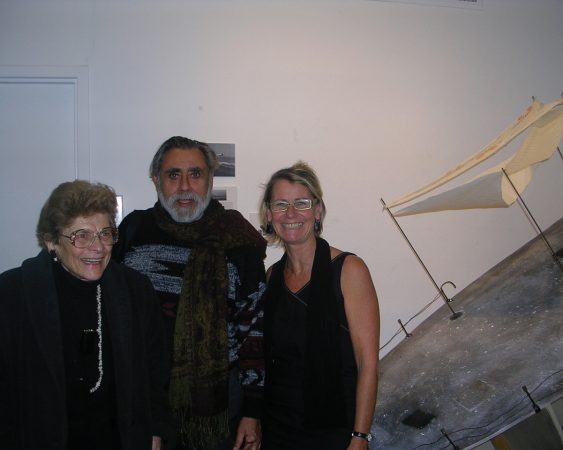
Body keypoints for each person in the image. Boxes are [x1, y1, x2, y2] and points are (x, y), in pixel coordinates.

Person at [112, 136, 267, 450]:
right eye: (174, 175)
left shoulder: (239, 239)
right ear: (156, 180)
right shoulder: (133, 231)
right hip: (142, 395)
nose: (184, 186)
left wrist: (253, 411)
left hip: (218, 405)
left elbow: (255, 330)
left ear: (210, 179)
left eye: (195, 174)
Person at [0, 180, 173, 450]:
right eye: (81, 236)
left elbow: (156, 372)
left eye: (105, 233)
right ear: (51, 242)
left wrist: (155, 430)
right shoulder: (13, 294)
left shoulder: (135, 290)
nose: (98, 247)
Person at [258, 161, 380, 450]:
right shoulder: (272, 277)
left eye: (301, 203)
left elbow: (368, 364)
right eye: (280, 204)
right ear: (269, 214)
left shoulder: (349, 270)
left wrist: (360, 436)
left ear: (317, 210)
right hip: (278, 428)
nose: (290, 214)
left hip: (334, 430)